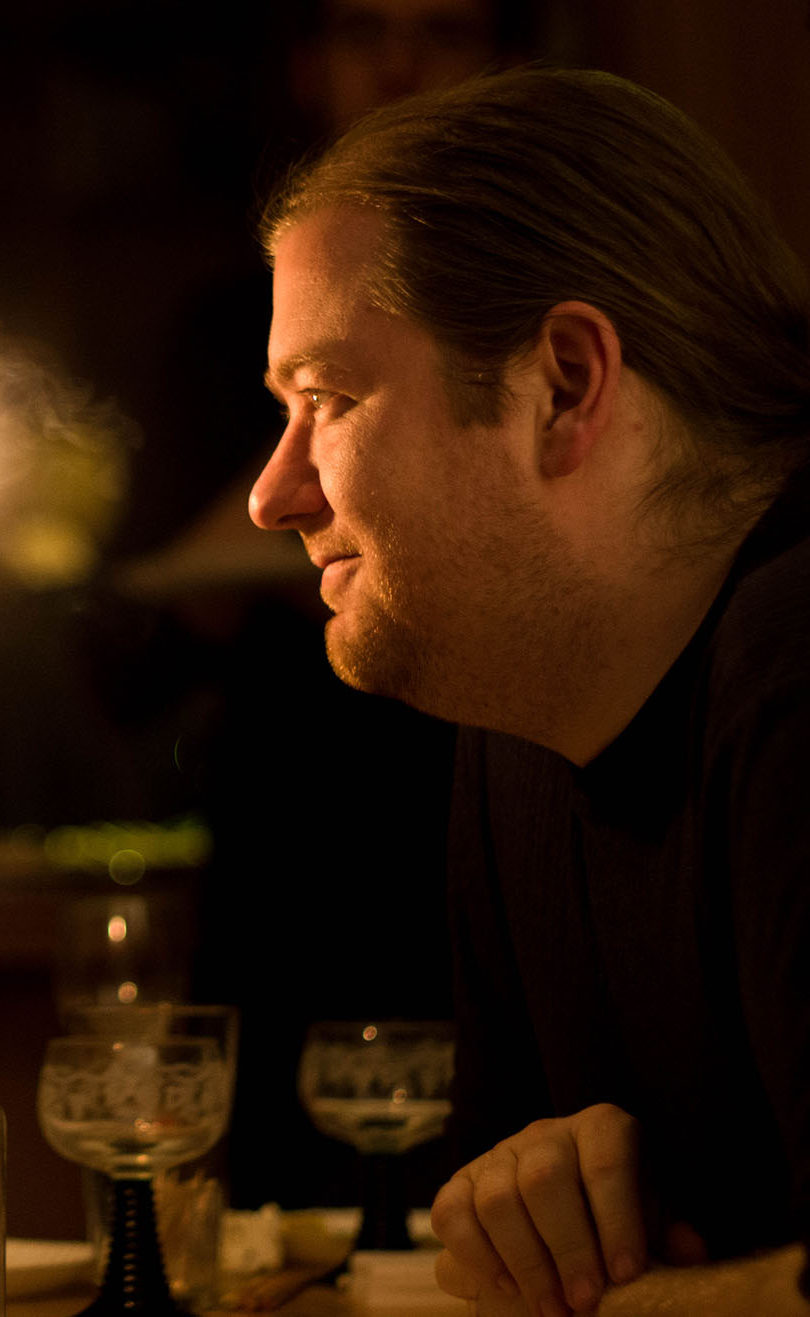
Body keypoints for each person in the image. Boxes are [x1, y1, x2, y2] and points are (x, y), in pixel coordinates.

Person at [247, 68, 809, 1315]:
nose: (273, 496)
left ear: (563, 383)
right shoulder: (523, 720)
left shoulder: (797, 665)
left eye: (326, 400)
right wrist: (524, 1216)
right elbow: (512, 1263)